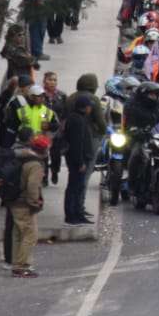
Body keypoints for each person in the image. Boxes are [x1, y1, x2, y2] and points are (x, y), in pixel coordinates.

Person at [11, 133, 49, 278]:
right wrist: (35, 202)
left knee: (17, 234)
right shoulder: (35, 164)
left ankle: (16, 263)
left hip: (14, 201)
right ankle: (22, 266)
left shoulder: (21, 157)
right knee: (30, 235)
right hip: (24, 204)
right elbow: (33, 185)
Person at [63, 92, 97, 225]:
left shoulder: (78, 118)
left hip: (78, 159)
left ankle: (78, 213)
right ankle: (72, 215)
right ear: (85, 107)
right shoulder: (77, 120)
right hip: (77, 161)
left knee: (78, 187)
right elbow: (77, 143)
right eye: (89, 106)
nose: (91, 109)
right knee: (74, 187)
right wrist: (80, 162)